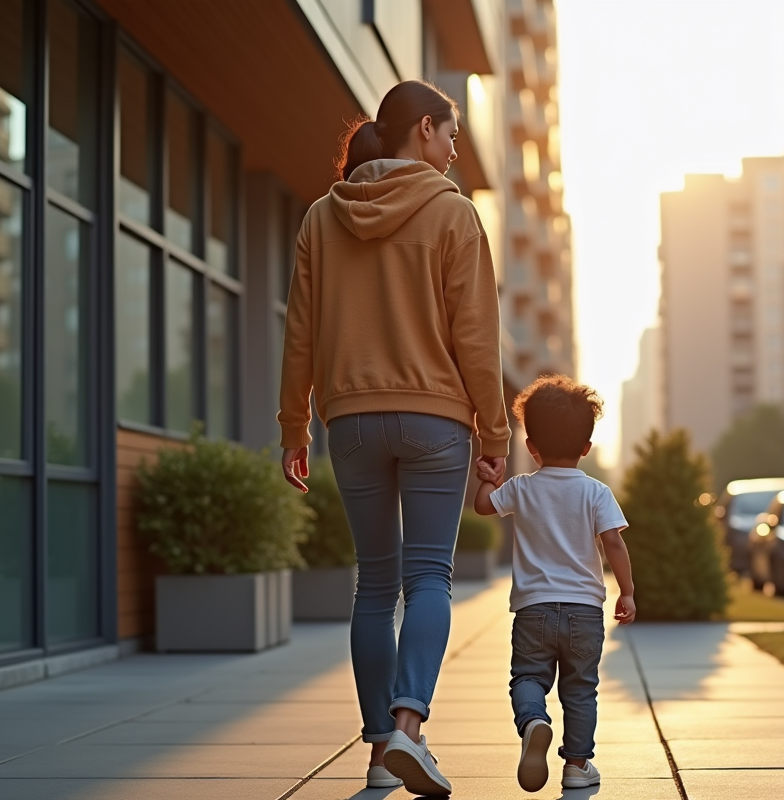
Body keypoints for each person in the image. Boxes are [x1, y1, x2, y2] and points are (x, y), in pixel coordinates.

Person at [278, 80, 510, 797]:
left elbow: (300, 334)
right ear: (420, 130)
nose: (454, 145)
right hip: (437, 419)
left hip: (350, 420)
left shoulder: (322, 217)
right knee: (429, 577)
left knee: (374, 586)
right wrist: (495, 434)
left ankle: (380, 752)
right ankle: (409, 728)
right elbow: (476, 338)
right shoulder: (454, 215)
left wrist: (294, 426)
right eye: (449, 131)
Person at [474, 375, 636, 793]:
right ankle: (577, 766)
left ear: (532, 446)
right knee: (580, 689)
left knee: (528, 677)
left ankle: (534, 722)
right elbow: (614, 543)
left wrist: (491, 475)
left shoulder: (522, 488)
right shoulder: (596, 493)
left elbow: (482, 506)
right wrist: (628, 591)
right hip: (584, 611)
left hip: (533, 610)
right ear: (586, 447)